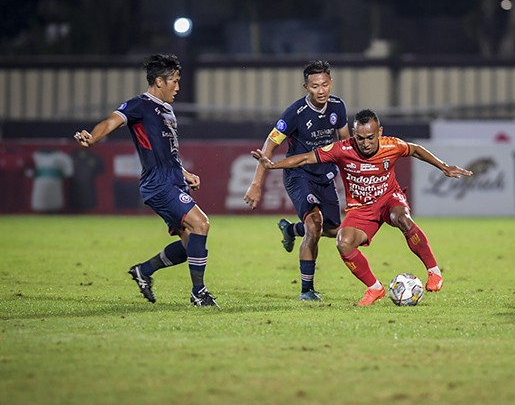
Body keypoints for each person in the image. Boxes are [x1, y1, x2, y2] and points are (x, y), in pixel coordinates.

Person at [252, 109, 473, 306]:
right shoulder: (342, 148)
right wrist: (273, 165)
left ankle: (434, 272)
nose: (365, 143)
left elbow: (414, 150)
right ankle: (375, 288)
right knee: (343, 243)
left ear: (379, 133)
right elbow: (306, 159)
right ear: (353, 134)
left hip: (388, 199)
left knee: (403, 219)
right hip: (361, 209)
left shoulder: (391, 145)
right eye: (360, 138)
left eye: (370, 137)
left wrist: (443, 167)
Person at [73, 54, 219, 308]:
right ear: (160, 81)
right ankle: (199, 293)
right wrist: (93, 138)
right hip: (159, 184)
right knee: (201, 224)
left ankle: (144, 270)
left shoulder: (167, 110)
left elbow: (167, 152)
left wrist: (185, 173)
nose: (178, 86)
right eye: (174, 81)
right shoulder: (139, 105)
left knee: (190, 246)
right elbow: (111, 122)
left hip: (174, 180)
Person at [243, 60, 350, 302]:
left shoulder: (338, 107)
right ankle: (306, 290)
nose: (321, 90)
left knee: (334, 230)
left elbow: (346, 145)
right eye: (314, 86)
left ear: (330, 83)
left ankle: (291, 229)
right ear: (306, 87)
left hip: (325, 175)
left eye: (324, 84)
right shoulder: (295, 113)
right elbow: (269, 145)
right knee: (314, 224)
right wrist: (256, 183)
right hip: (299, 174)